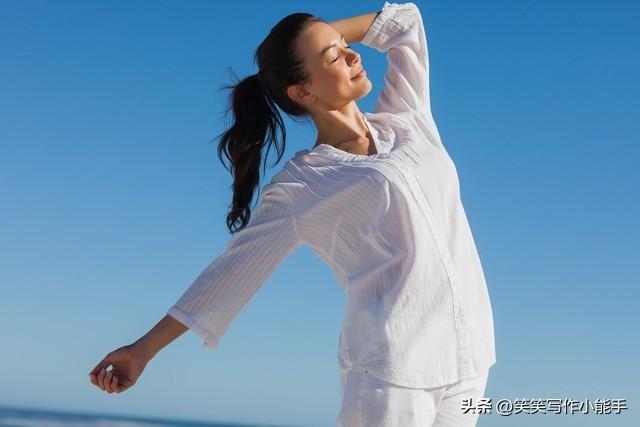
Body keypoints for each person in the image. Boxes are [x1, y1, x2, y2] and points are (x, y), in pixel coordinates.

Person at [89, 2, 496, 426]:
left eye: (345, 46)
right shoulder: (303, 184)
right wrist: (142, 350)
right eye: (335, 58)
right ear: (301, 92)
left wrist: (320, 40)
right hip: (392, 371)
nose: (354, 55)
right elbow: (231, 272)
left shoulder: (406, 120)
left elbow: (406, 24)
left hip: (468, 355)